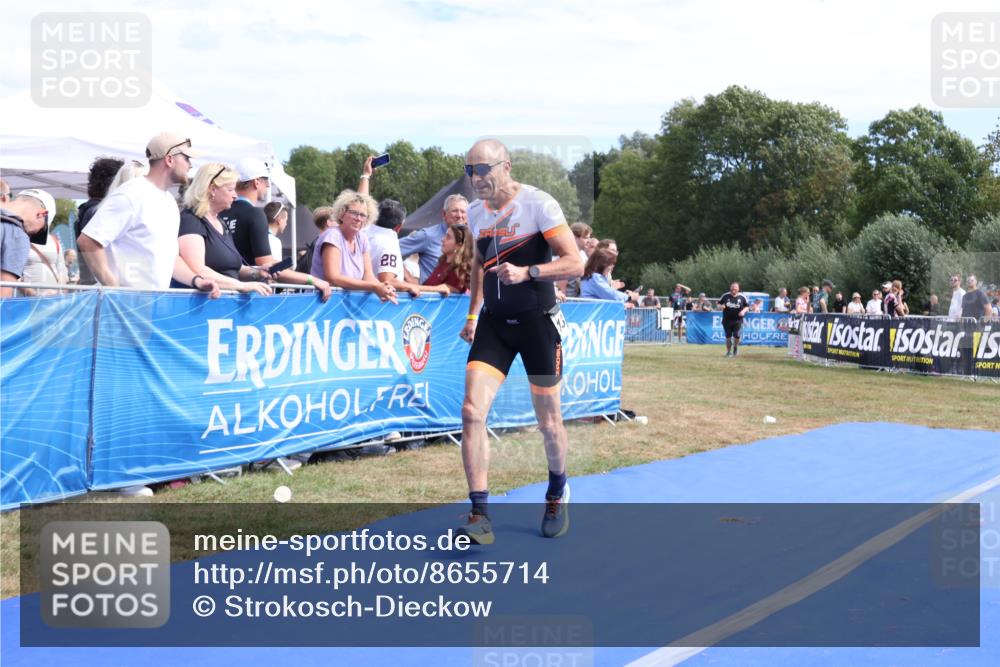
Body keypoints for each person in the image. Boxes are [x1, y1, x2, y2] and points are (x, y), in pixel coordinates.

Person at [457, 138, 584, 544]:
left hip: (536, 323)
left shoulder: (539, 204)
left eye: (483, 170)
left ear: (505, 166)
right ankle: (479, 513)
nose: (476, 178)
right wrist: (473, 314)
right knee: (472, 413)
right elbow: (478, 264)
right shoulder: (475, 213)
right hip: (495, 324)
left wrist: (529, 273)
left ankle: (556, 491)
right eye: (469, 170)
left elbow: (575, 262)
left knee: (548, 422)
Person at [77, 133, 220, 296]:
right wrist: (115, 291)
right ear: (169, 160)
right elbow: (88, 241)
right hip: (123, 309)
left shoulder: (169, 201)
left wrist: (197, 280)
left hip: (149, 305)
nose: (190, 165)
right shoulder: (132, 193)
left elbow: (170, 258)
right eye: (186, 158)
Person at [223, 157, 331, 299]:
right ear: (256, 182)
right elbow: (268, 265)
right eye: (266, 181)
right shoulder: (255, 214)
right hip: (248, 296)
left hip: (221, 291)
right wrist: (312, 279)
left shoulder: (220, 212)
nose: (268, 186)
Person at [175, 163, 273, 295]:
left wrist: (257, 272)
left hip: (225, 304)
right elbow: (197, 269)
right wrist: (240, 286)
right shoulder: (191, 220)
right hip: (204, 306)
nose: (235, 196)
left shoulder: (220, 222)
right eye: (230, 189)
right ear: (212, 189)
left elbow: (233, 268)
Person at [311, 189, 397, 303]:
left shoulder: (362, 238)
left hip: (345, 302)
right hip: (322, 303)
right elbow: (333, 277)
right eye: (354, 213)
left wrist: (384, 288)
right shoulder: (332, 235)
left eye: (363, 215)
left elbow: (368, 276)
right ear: (341, 214)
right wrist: (374, 287)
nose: (358, 218)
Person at [74, 157, 124, 284]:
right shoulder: (98, 211)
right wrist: (114, 287)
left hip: (93, 284)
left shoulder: (90, 209)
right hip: (100, 286)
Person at [399, 193, 469, 283]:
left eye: (463, 211)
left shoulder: (472, 238)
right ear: (444, 214)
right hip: (432, 295)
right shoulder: (428, 235)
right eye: (455, 211)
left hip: (463, 296)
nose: (459, 215)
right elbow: (391, 249)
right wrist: (409, 278)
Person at [1, 189, 53, 297]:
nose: (32, 235)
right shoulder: (17, 236)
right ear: (42, 214)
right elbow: (3, 293)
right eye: (41, 230)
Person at [20, 219, 68, 296]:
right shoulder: (19, 239)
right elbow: (13, 275)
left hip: (53, 299)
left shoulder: (54, 241)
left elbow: (62, 270)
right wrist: (34, 294)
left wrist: (58, 291)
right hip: (28, 300)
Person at [424, 223, 474, 294]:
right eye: (445, 235)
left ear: (459, 245)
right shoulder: (442, 264)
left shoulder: (459, 271)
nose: (442, 239)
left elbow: (444, 289)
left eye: (448, 237)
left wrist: (409, 287)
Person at [718, 281, 749, 357]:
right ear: (730, 288)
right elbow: (719, 304)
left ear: (738, 288)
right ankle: (728, 352)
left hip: (738, 320)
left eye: (735, 287)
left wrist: (743, 311)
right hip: (727, 320)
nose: (733, 289)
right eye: (732, 287)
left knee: (736, 335)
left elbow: (747, 307)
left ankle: (735, 347)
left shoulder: (742, 297)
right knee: (728, 336)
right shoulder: (725, 296)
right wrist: (720, 307)